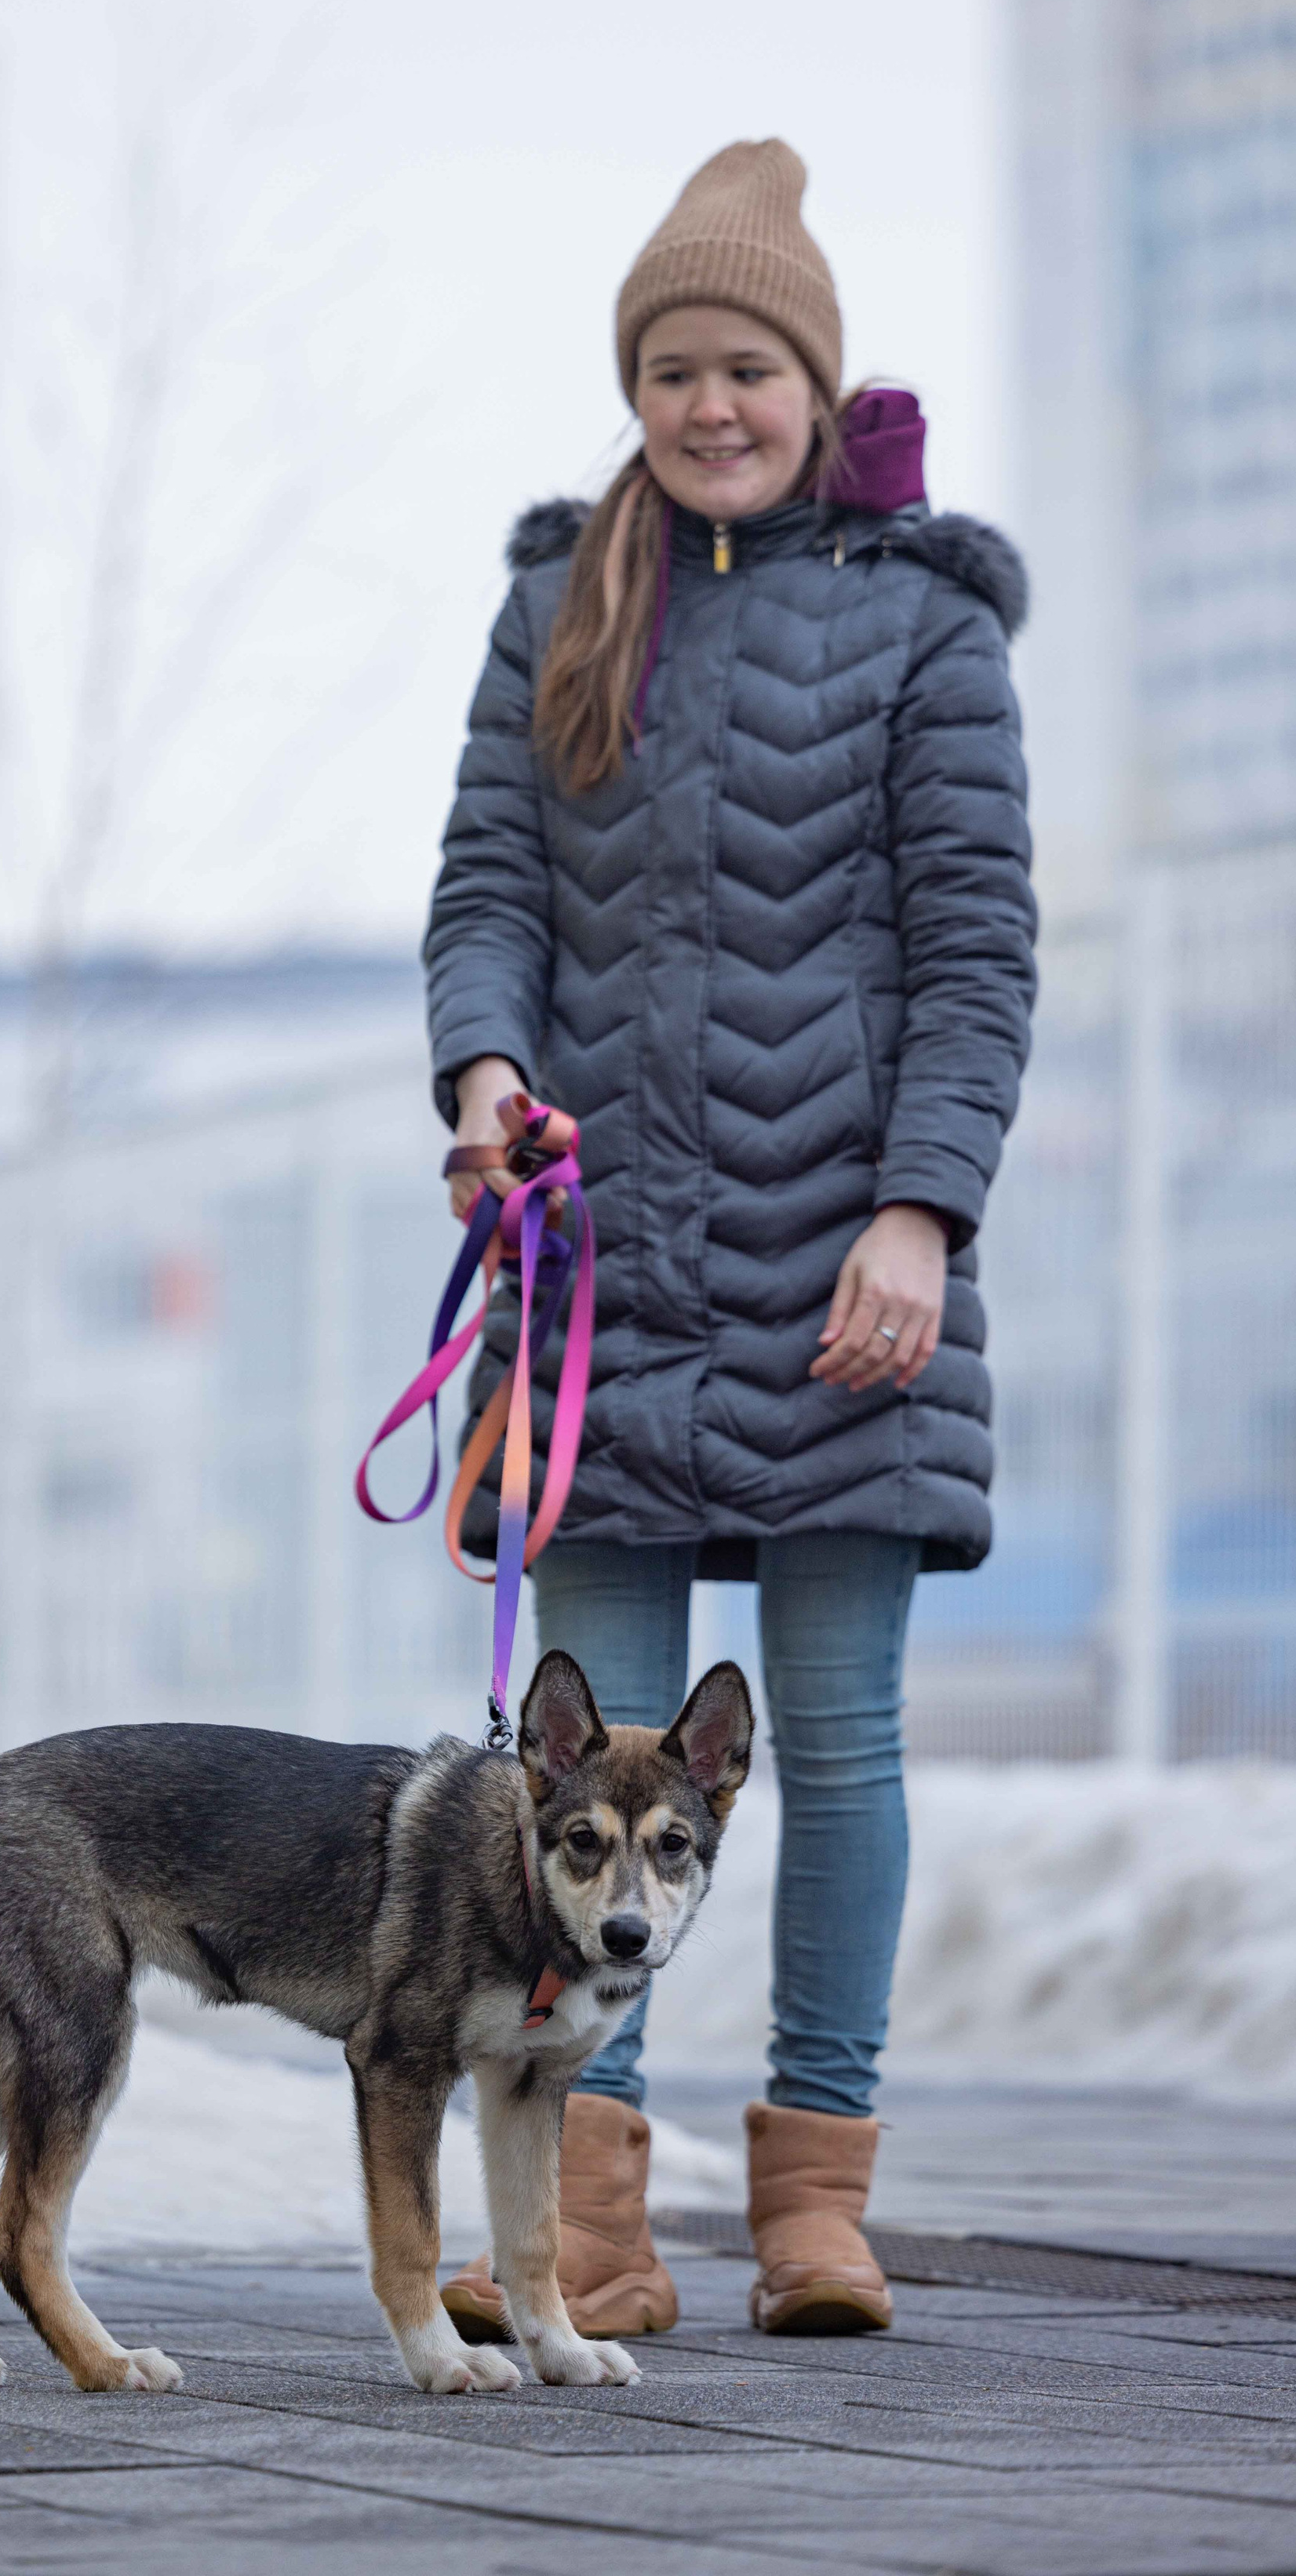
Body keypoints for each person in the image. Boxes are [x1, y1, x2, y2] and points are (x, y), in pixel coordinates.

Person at [424, 140, 1036, 2340]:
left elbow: (977, 954)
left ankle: (815, 2209)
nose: (712, 403)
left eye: (750, 364)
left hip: (842, 1289)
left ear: (814, 378)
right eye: (674, 367)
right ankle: (589, 2230)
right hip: (599, 1289)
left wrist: (918, 1214)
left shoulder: (925, 624)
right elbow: (488, 885)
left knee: (838, 1738)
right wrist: (484, 1082)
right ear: (641, 387)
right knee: (572, 1763)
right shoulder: (563, 603)